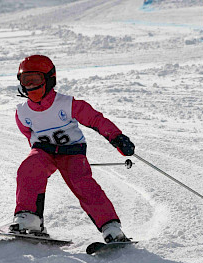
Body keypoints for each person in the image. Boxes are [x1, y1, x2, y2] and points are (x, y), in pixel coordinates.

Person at [9, 55, 135, 243]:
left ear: (49, 80)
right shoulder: (22, 112)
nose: (30, 86)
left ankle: (111, 227)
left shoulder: (67, 104)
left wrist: (116, 137)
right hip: (44, 151)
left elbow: (95, 119)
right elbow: (29, 135)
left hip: (72, 151)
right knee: (29, 168)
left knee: (82, 183)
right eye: (26, 81)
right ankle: (29, 218)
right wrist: (41, 157)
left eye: (35, 80)